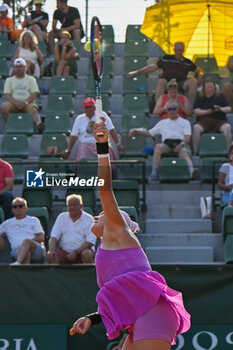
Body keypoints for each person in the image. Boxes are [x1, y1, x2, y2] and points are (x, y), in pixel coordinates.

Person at [69, 117, 191, 350]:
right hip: (142, 314)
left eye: (105, 214)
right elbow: (123, 297)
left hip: (153, 313)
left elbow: (104, 189)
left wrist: (103, 147)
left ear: (117, 222)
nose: (98, 214)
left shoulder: (118, 233)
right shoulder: (110, 244)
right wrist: (92, 319)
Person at [128, 99, 199, 181]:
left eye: (173, 109)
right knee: (158, 147)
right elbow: (149, 133)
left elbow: (187, 138)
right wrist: (136, 130)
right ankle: (154, 173)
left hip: (181, 143)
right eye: (169, 109)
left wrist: (181, 145)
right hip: (167, 145)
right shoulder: (162, 123)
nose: (171, 111)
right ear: (166, 110)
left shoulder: (185, 122)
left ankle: (192, 172)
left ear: (177, 109)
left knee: (184, 153)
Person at [128, 41, 203, 106]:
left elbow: (199, 70)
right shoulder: (166, 58)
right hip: (167, 82)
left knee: (193, 81)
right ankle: (158, 105)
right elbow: (153, 67)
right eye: (177, 50)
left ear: (183, 50)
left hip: (181, 82)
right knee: (162, 81)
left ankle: (190, 106)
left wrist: (200, 75)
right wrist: (137, 72)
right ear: (174, 49)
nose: (179, 52)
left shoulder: (188, 62)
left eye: (180, 50)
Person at [62, 97, 124, 161]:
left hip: (102, 144)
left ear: (94, 107)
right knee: (82, 154)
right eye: (86, 107)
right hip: (85, 146)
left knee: (107, 152)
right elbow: (73, 136)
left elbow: (112, 130)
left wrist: (118, 144)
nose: (88, 109)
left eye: (90, 107)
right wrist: (68, 150)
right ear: (83, 108)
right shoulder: (79, 119)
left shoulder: (102, 115)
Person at [47, 194, 96, 264]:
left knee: (87, 254)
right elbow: (54, 237)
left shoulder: (89, 219)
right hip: (64, 251)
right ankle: (57, 275)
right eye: (70, 205)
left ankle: (88, 274)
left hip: (82, 251)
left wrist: (75, 252)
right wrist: (51, 250)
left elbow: (90, 242)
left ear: (81, 206)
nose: (72, 207)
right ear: (67, 207)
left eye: (75, 205)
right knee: (50, 256)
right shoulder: (61, 217)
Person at [0, 57, 45, 134]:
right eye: (17, 67)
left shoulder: (31, 79)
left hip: (28, 103)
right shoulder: (9, 80)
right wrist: (16, 103)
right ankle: (10, 126)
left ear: (24, 67)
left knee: (33, 110)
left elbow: (34, 94)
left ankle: (39, 125)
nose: (18, 69)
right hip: (13, 103)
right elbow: (7, 94)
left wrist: (25, 103)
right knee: (3, 107)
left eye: (20, 67)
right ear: (14, 68)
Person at [0, 197, 45, 265]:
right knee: (27, 253)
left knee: (26, 242)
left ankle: (18, 263)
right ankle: (25, 273)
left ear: (26, 208)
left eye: (20, 206)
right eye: (15, 206)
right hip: (16, 251)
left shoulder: (34, 220)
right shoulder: (7, 224)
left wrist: (26, 244)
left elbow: (41, 238)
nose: (18, 208)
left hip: (36, 250)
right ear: (12, 209)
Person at [193, 78, 232, 155]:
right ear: (204, 88)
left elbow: (229, 109)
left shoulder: (221, 96)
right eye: (208, 87)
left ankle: (228, 152)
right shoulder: (200, 97)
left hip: (219, 120)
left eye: (211, 87)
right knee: (196, 128)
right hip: (204, 120)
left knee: (227, 128)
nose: (210, 89)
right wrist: (208, 111)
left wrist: (220, 109)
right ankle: (196, 152)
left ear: (215, 88)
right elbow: (196, 111)